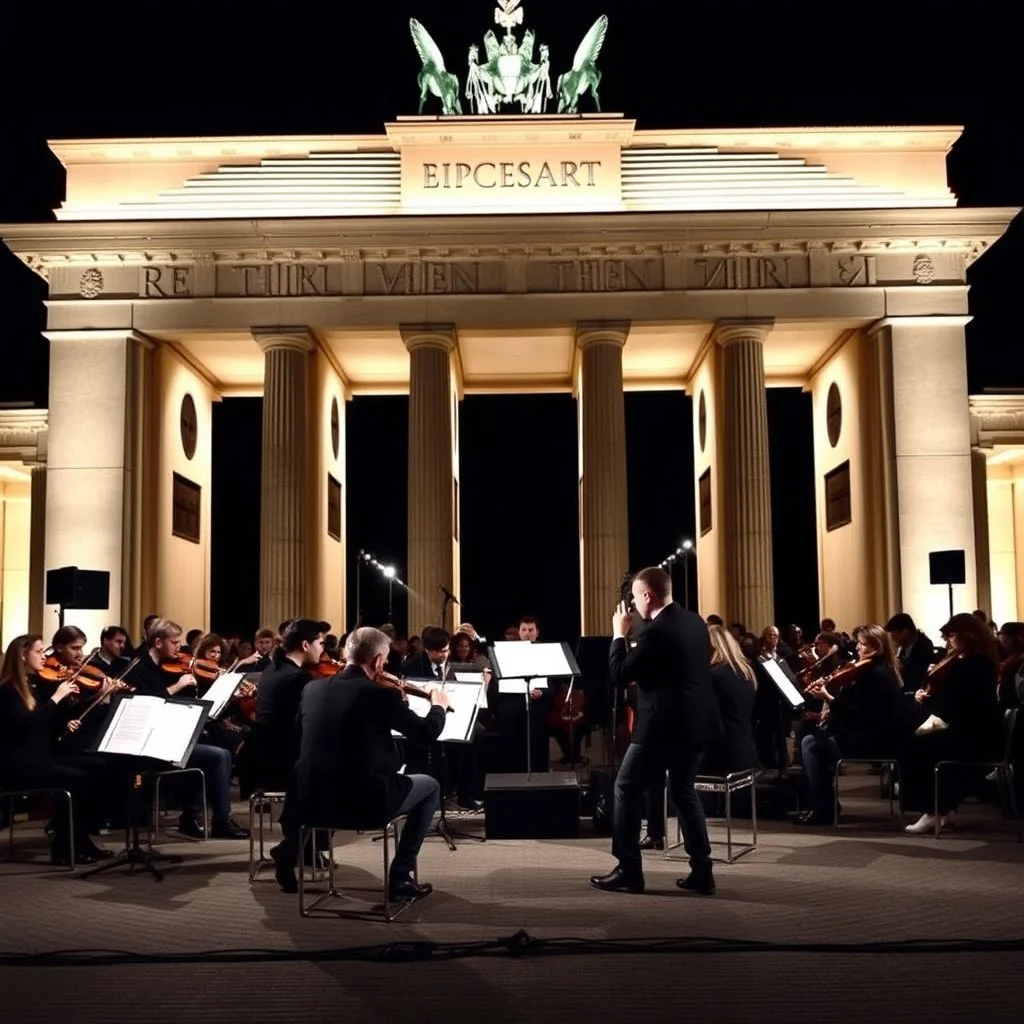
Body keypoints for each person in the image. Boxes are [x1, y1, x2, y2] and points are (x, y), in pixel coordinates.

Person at [273, 627, 450, 898]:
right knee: (431, 786)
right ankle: (401, 877)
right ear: (378, 661)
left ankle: (289, 851)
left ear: (347, 654)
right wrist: (437, 705)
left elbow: (301, 736)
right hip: (364, 805)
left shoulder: (312, 689)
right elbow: (426, 733)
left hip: (309, 803)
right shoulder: (382, 695)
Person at [591, 567, 722, 896]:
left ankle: (629, 870)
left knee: (625, 787)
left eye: (634, 598)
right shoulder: (694, 621)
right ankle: (702, 872)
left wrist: (619, 635)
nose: (632, 606)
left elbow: (620, 674)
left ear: (647, 595)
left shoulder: (655, 632)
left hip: (663, 727)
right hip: (698, 724)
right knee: (683, 792)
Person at [126, 618, 249, 839]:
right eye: (174, 642)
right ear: (157, 642)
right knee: (218, 756)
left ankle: (192, 817)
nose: (179, 647)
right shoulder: (139, 667)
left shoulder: (167, 666)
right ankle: (220, 821)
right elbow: (148, 703)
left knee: (221, 752)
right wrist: (178, 686)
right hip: (150, 743)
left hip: (171, 735)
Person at [0, 634, 110, 865]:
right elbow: (28, 726)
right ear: (22, 655)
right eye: (39, 652)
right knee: (77, 779)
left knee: (99, 768)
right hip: (18, 765)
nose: (44, 656)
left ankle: (78, 840)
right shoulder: (7, 690)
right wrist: (57, 698)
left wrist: (97, 698)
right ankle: (65, 848)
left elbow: (52, 720)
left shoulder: (32, 685)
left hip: (41, 758)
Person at [796, 624, 915, 826]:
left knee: (811, 744)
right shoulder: (873, 670)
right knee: (812, 736)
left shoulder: (876, 674)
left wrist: (830, 699)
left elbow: (864, 714)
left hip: (873, 741)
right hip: (868, 734)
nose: (857, 648)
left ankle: (824, 807)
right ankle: (823, 803)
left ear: (876, 647)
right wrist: (830, 714)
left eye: (862, 644)